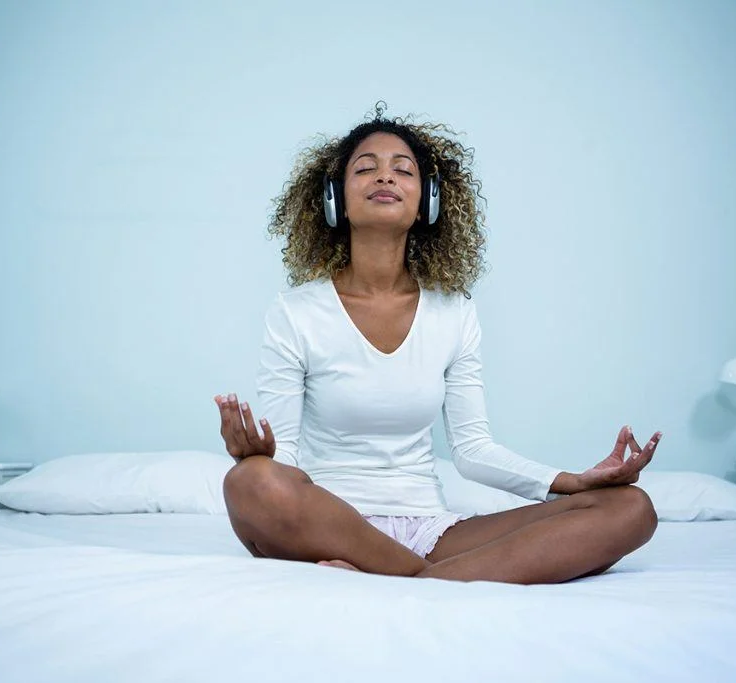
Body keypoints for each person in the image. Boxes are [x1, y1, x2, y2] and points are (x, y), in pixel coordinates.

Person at [213, 105, 661, 584]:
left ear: (426, 201)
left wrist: (569, 483)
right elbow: (286, 462)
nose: (384, 176)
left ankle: (407, 575)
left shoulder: (454, 312)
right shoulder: (296, 312)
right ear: (335, 200)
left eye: (403, 170)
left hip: (431, 528)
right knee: (249, 483)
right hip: (330, 524)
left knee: (631, 508)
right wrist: (256, 457)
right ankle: (430, 577)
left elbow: (471, 449)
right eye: (365, 168)